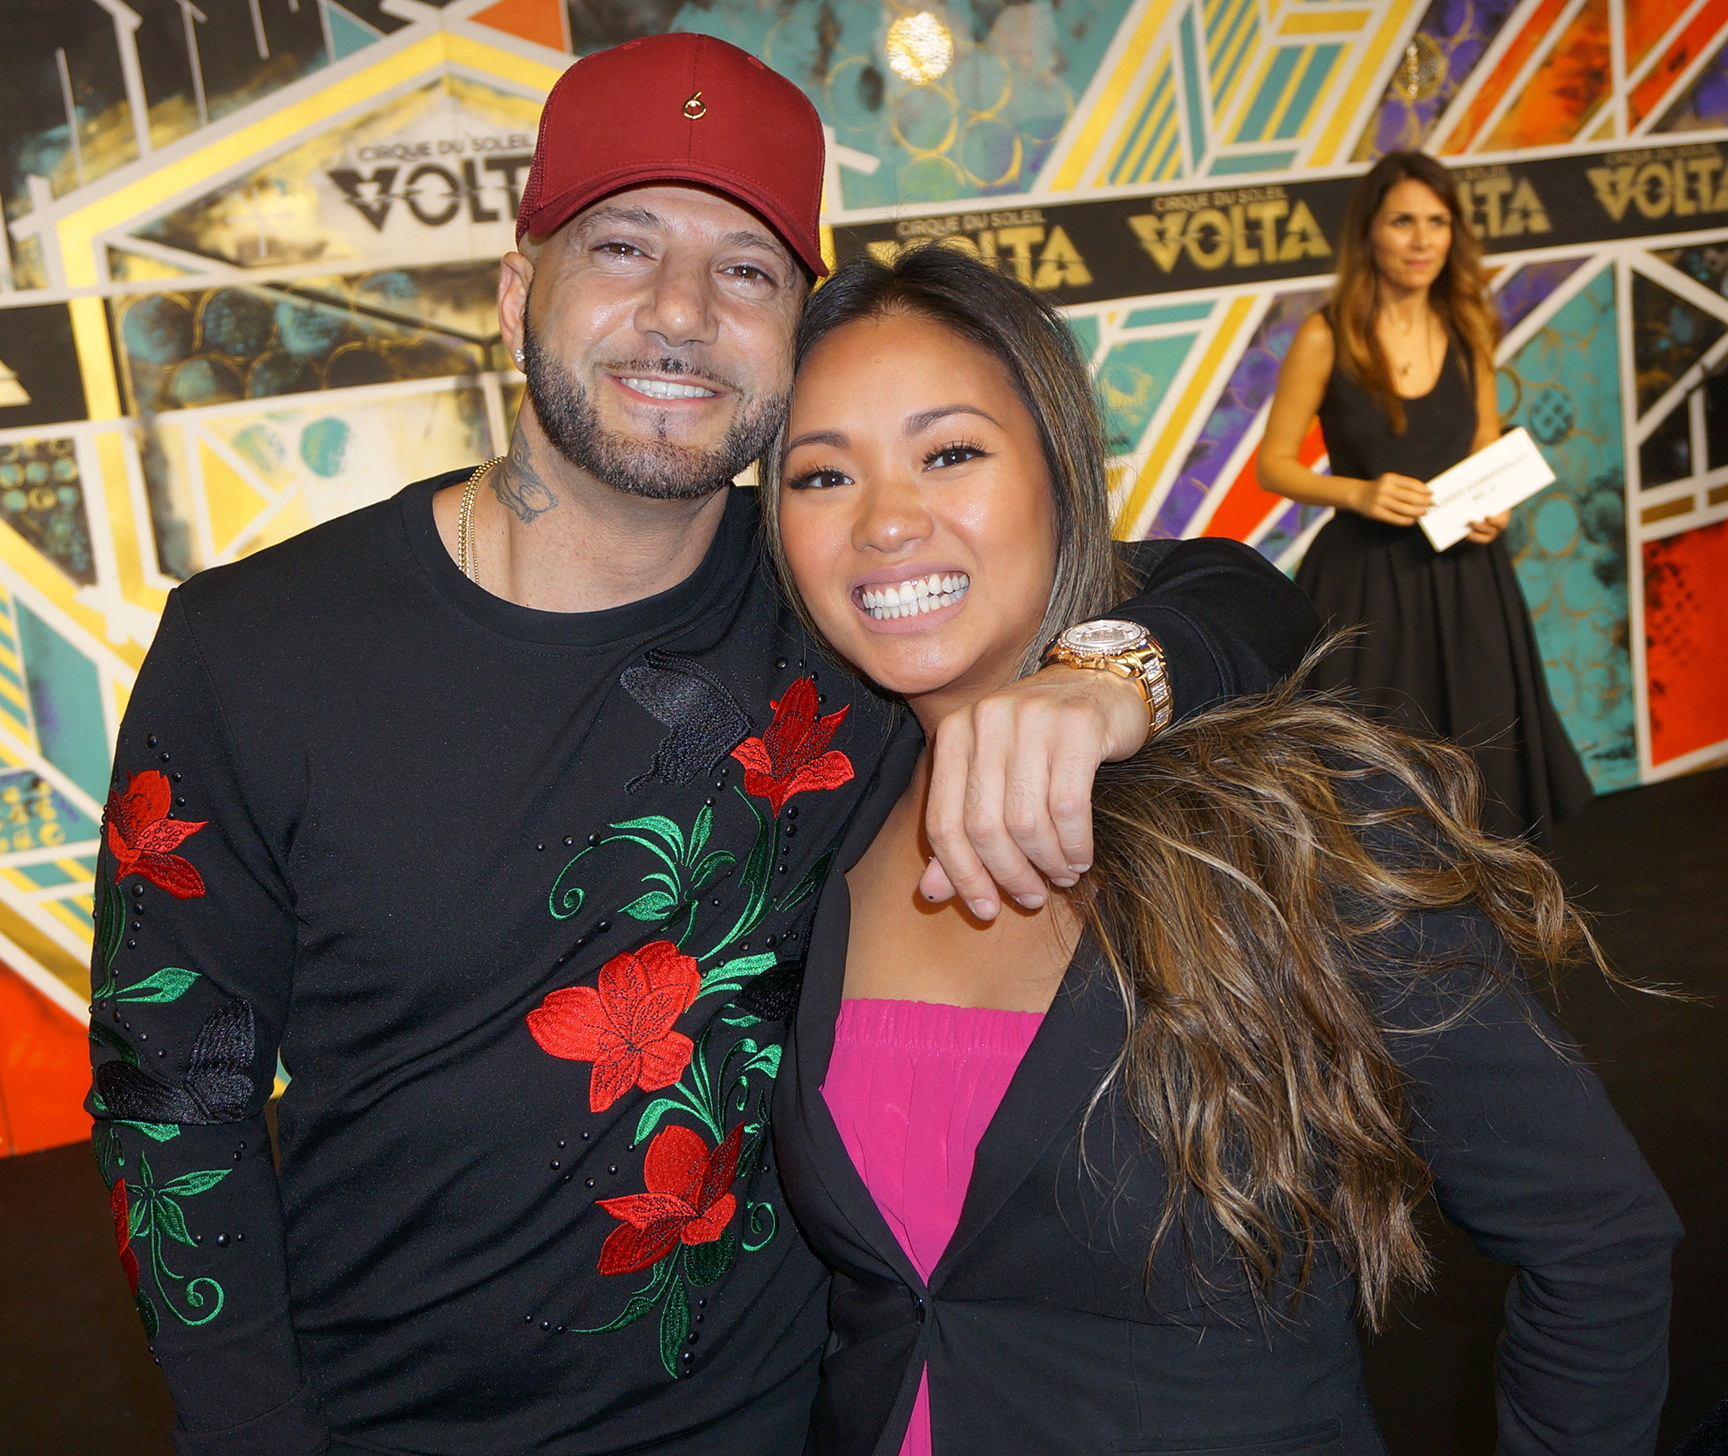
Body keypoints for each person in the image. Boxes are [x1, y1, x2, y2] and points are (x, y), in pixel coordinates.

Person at [86, 34, 1322, 1456]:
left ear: (793, 335)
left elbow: (1237, 595)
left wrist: (1108, 681)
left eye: (745, 270)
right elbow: (169, 1103)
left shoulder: (845, 611)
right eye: (623, 247)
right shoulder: (254, 651)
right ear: (515, 293)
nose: (679, 312)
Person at [766, 245, 1678, 1455]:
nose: (886, 520)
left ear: (1061, 472)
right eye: (822, 474)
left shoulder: (1280, 821)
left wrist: (1117, 674)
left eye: (950, 453)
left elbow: (1597, 1242)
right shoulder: (824, 817)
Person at [1258, 150, 1591, 843]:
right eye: (1402, 221)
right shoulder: (1325, 335)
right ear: (1369, 232)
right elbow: (1274, 466)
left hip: (1469, 580)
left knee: (1487, 775)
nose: (1421, 241)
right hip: (1366, 586)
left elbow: (1485, 446)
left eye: (1437, 222)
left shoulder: (1470, 325)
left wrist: (1497, 507)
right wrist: (1360, 492)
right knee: (1370, 784)